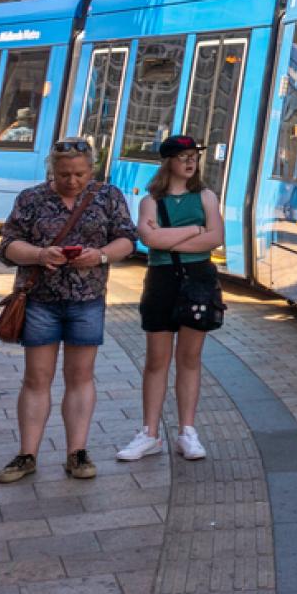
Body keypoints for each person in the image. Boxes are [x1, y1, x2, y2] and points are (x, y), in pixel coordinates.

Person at [0, 139, 136, 485]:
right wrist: (40, 255)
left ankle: (77, 452)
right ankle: (27, 454)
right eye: (63, 175)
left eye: (80, 174)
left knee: (80, 376)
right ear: (51, 171)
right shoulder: (31, 198)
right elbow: (8, 245)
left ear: (92, 170)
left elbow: (127, 239)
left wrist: (100, 255)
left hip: (87, 299)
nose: (72, 181)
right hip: (40, 299)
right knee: (36, 378)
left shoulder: (108, 196)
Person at [119, 136, 225, 463]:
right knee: (156, 360)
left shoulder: (206, 196)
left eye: (193, 156)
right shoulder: (151, 201)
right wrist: (195, 230)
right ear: (169, 163)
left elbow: (216, 239)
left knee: (189, 359)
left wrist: (169, 240)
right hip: (161, 281)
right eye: (183, 157)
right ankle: (150, 433)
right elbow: (148, 239)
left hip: (199, 280)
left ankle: (187, 432)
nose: (190, 162)